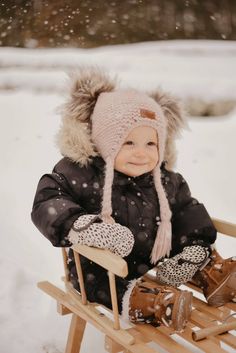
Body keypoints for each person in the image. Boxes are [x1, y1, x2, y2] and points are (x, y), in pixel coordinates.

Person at [31, 68, 236, 332]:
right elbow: (47, 200)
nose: (141, 153)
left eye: (151, 144)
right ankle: (155, 304)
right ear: (104, 142)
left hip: (155, 258)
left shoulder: (165, 180)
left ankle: (213, 275)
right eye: (127, 143)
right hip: (99, 267)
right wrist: (85, 227)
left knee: (192, 245)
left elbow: (187, 211)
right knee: (104, 283)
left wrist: (195, 245)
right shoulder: (81, 173)